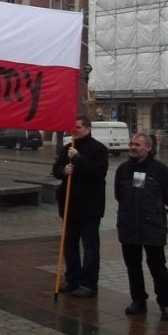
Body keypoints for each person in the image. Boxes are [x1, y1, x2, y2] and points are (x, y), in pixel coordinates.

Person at [114, 132, 168, 321]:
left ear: (148, 148)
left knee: (158, 267)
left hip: (152, 227)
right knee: (133, 266)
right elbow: (119, 194)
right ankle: (138, 301)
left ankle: (165, 304)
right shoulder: (123, 169)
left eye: (138, 145)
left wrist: (158, 213)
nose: (133, 147)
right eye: (132, 144)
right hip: (129, 226)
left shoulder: (160, 170)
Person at [52, 115, 109, 298]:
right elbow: (55, 169)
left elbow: (98, 172)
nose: (74, 130)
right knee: (70, 245)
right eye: (73, 127)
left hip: (89, 207)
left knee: (90, 247)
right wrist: (63, 171)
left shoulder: (98, 149)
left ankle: (89, 283)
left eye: (78, 127)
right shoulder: (67, 148)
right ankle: (72, 279)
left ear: (88, 128)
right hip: (69, 206)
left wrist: (78, 159)